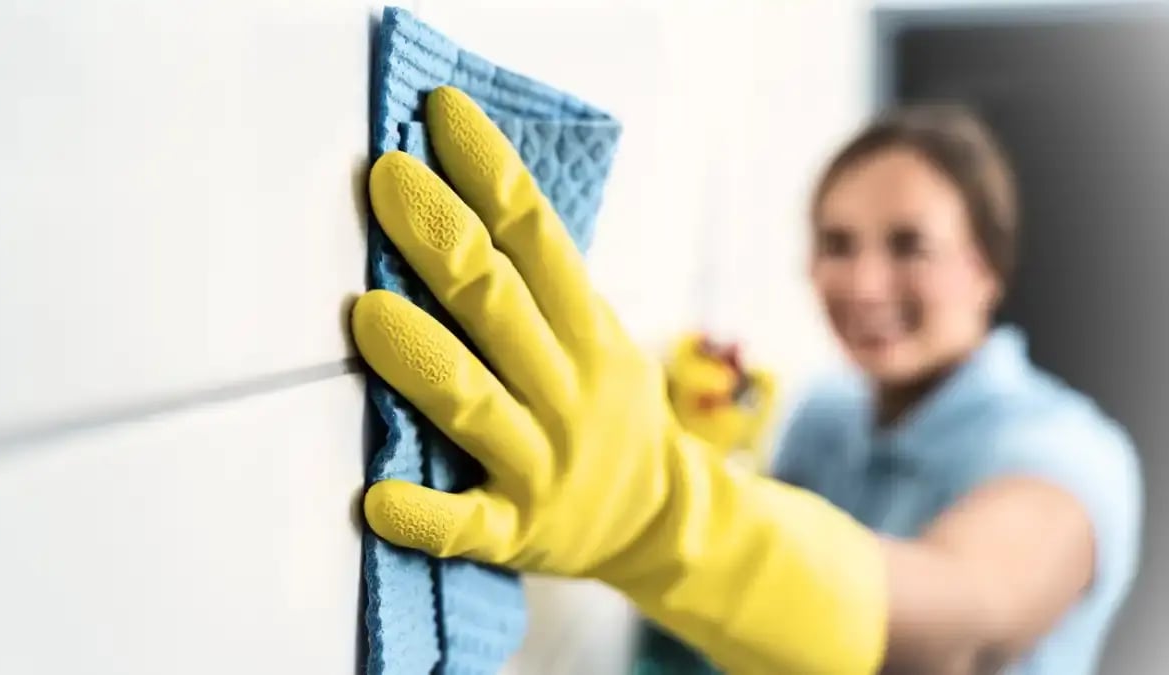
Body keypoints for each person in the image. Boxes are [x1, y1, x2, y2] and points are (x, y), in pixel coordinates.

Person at [350, 86, 1143, 674]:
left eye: (909, 245)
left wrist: (655, 510)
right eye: (837, 242)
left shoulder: (1067, 452)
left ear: (986, 268)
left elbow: (962, 618)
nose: (864, 282)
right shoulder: (827, 416)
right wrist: (701, 445)